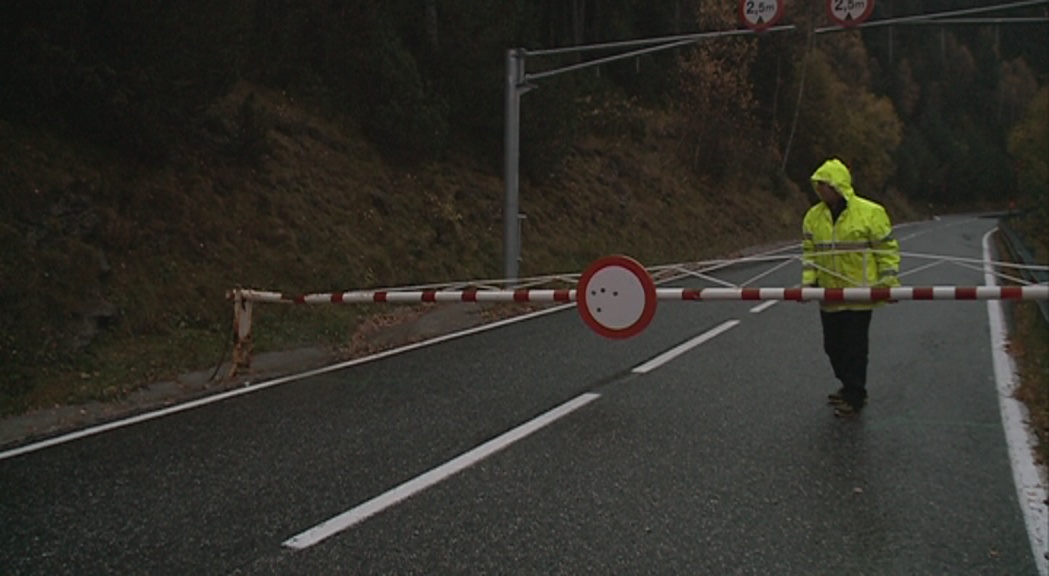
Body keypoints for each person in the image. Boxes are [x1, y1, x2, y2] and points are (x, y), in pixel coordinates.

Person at [801, 158, 901, 417]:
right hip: (829, 295)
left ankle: (856, 396)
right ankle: (847, 386)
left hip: (859, 294)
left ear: (838, 185)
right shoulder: (814, 217)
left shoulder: (870, 213)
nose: (821, 190)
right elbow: (810, 253)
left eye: (825, 185)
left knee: (855, 348)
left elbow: (886, 250)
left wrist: (889, 282)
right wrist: (808, 283)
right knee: (832, 347)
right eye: (819, 186)